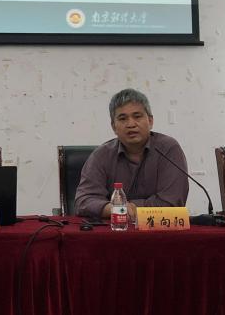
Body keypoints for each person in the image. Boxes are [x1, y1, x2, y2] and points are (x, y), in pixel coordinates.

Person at [74, 88, 190, 220]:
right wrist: (113, 209)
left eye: (137, 116)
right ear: (114, 127)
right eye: (123, 118)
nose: (131, 124)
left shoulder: (168, 149)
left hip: (157, 229)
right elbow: (83, 201)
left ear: (150, 121)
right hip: (115, 229)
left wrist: (128, 208)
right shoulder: (102, 155)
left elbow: (172, 202)